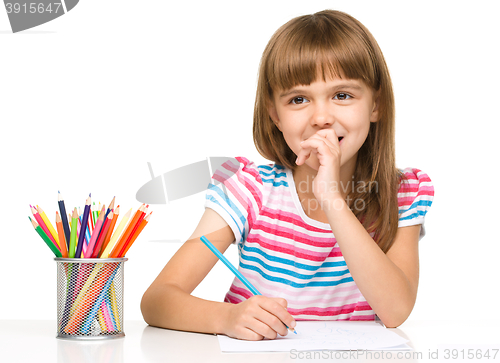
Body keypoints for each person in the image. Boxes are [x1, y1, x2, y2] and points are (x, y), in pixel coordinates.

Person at [141, 9, 434, 341]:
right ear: (275, 115)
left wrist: (332, 198)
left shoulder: (403, 193)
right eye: (298, 99)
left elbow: (395, 311)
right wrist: (227, 318)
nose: (322, 117)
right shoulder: (249, 189)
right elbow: (158, 300)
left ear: (375, 104)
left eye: (342, 95)